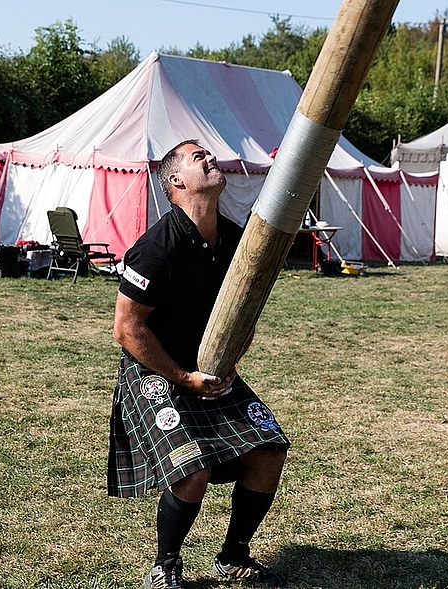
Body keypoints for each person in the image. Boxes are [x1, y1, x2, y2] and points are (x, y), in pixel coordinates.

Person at [108, 140, 290, 588]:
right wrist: (185, 378)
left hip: (209, 367)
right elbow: (128, 329)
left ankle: (233, 556)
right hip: (155, 368)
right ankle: (165, 564)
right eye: (197, 157)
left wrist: (228, 361)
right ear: (176, 182)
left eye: (209, 154)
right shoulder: (157, 247)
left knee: (269, 449)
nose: (210, 159)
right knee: (195, 466)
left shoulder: (233, 240)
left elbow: (245, 310)